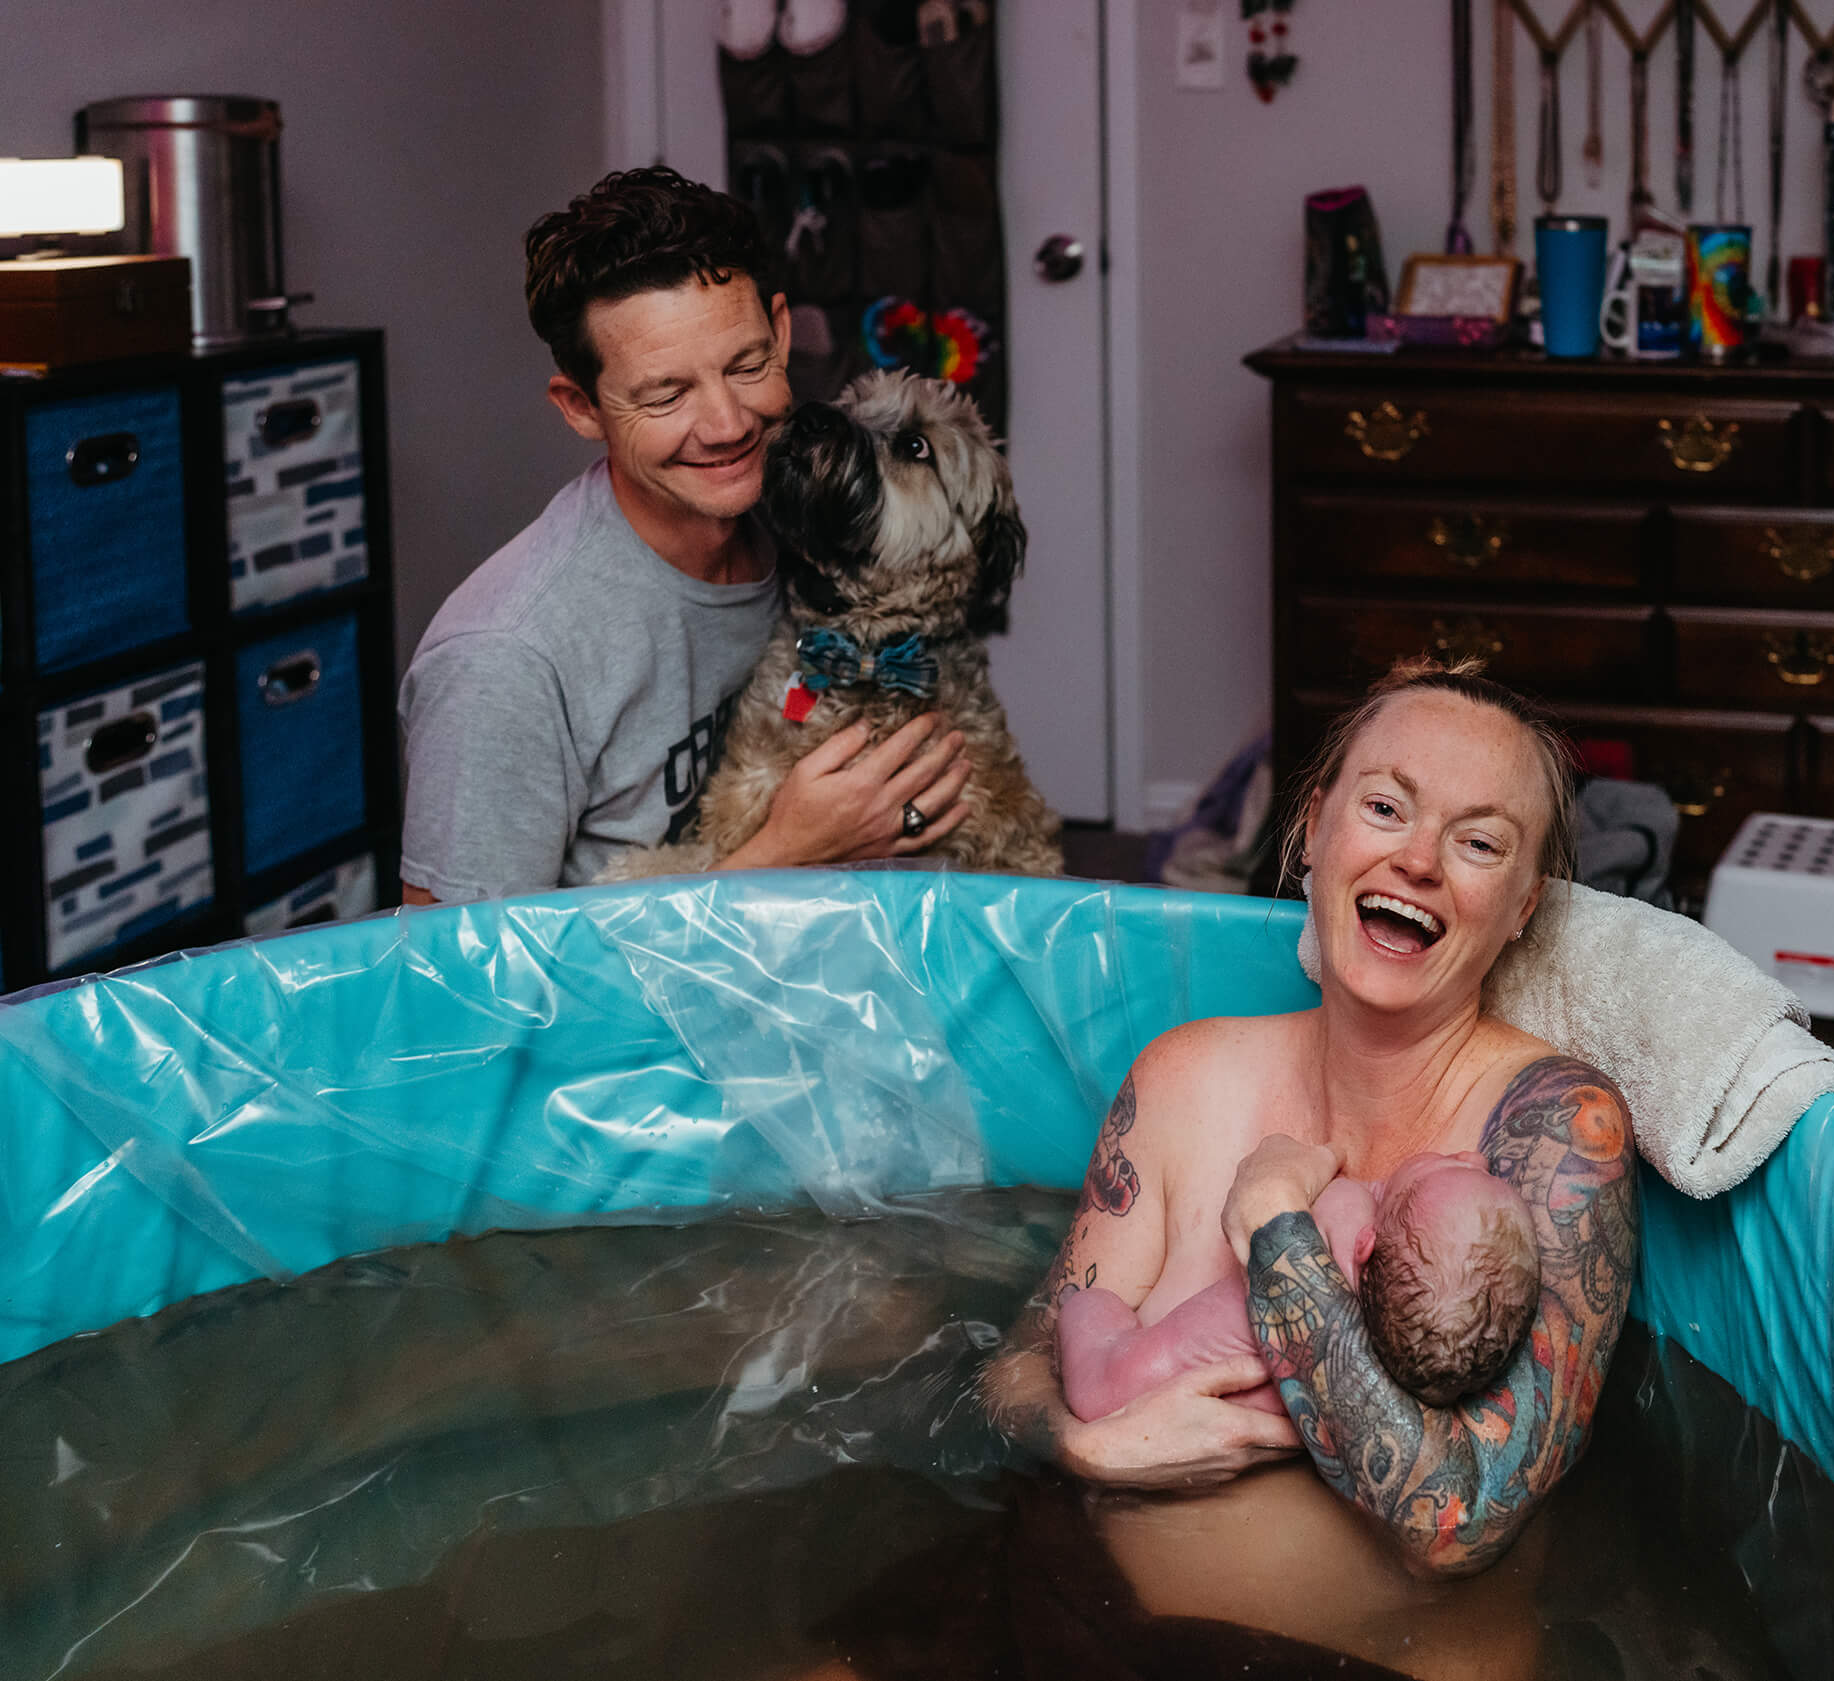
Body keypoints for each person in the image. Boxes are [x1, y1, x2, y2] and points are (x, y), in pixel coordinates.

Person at [978, 655, 1641, 1676]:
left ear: (1522, 908)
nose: (1418, 859)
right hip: (1065, 1602)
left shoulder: (1553, 1132)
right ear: (1314, 830)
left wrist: (1280, 1232)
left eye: (1476, 842)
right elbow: (1019, 1358)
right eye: (1386, 807)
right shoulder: (1183, 1077)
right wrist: (1082, 1444)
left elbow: (1457, 1520)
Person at [397, 167, 968, 905]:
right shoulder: (506, 659)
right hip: (637, 1022)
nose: (730, 426)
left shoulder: (811, 529)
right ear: (581, 407)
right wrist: (788, 850)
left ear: (782, 332)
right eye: (667, 394)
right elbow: (461, 990)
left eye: (747, 364)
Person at [1058, 1150, 1540, 1423]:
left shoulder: (1347, 1217)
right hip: (1242, 1413)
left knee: (1089, 1313)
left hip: (1131, 1379)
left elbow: (1303, 1188)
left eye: (1451, 1166)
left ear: (1366, 1246)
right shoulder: (1402, 1339)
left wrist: (1327, 1163)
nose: (1472, 1154)